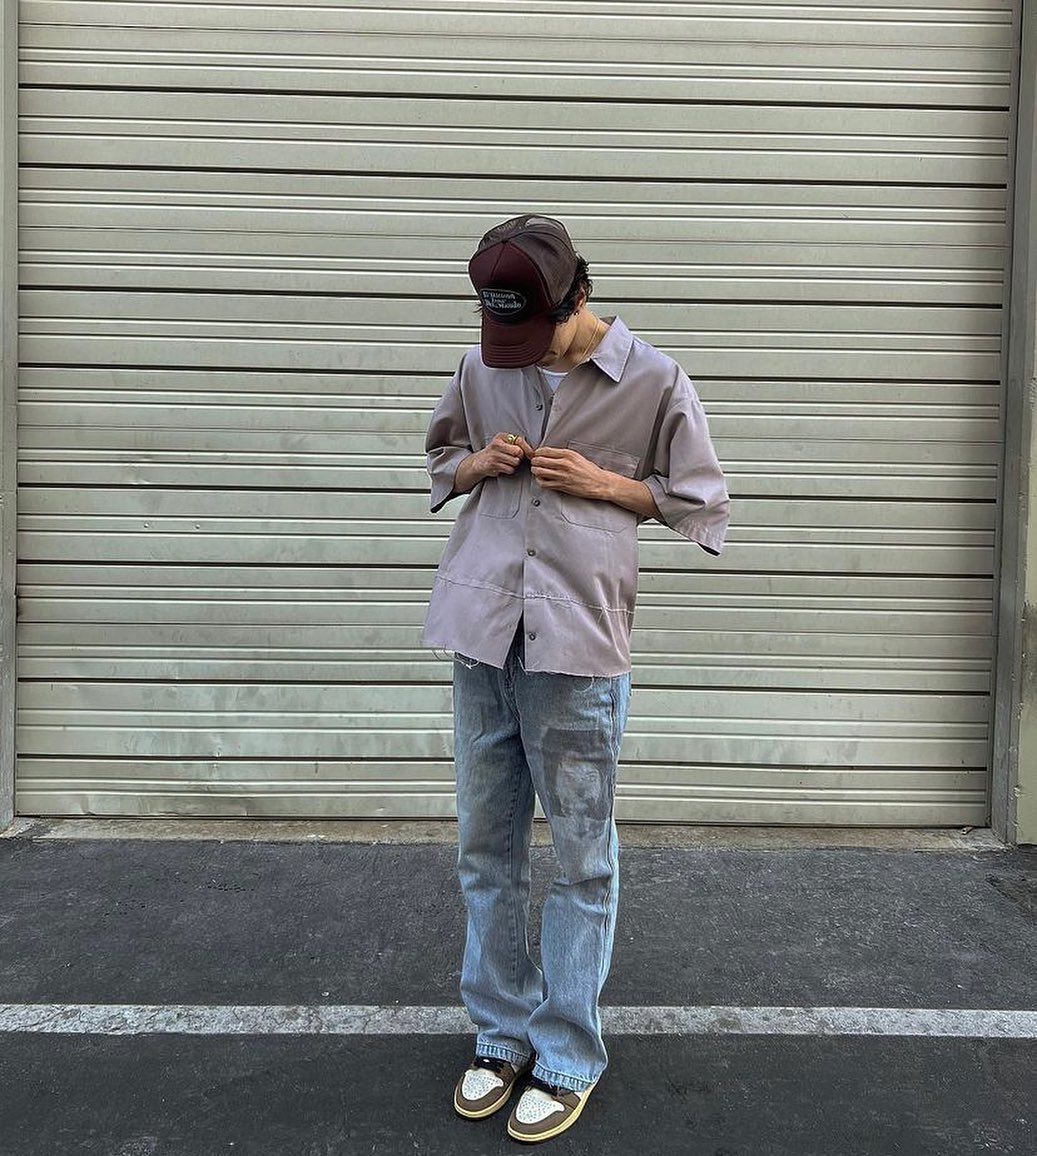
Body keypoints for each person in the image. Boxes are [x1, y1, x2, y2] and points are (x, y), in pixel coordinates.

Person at [422, 214, 729, 1143]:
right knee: (485, 850)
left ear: (579, 296)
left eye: (536, 331)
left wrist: (606, 485)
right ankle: (499, 1034)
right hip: (482, 632)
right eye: (502, 329)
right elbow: (440, 459)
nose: (519, 351)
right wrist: (476, 465)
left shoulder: (655, 380)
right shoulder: (483, 364)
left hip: (576, 646)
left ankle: (565, 1051)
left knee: (582, 859)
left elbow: (700, 501)